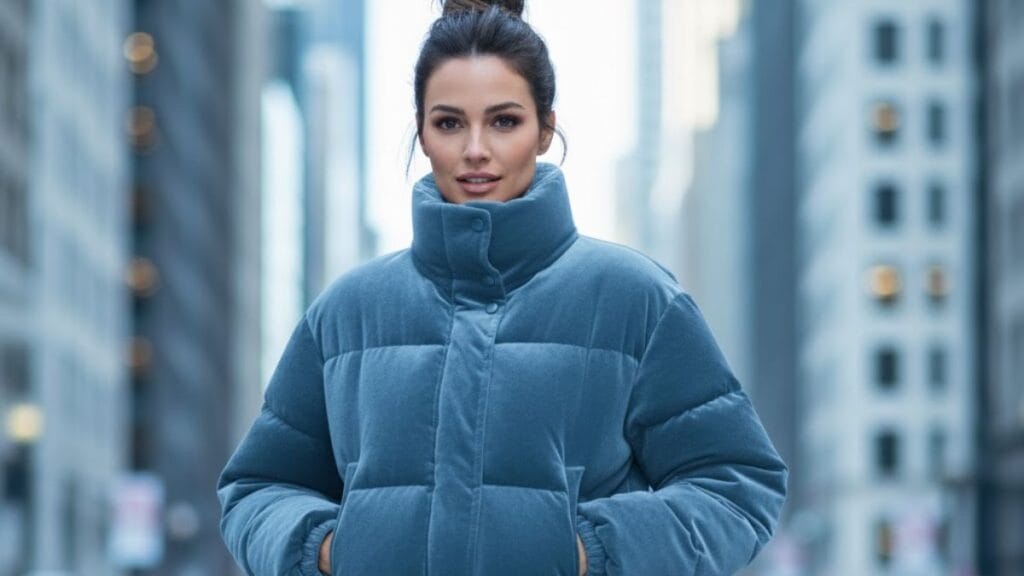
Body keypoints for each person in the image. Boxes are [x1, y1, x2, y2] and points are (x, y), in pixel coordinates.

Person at [217, 1, 788, 574]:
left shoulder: (636, 301)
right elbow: (258, 484)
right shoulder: (347, 313)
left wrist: (588, 553)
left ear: (545, 130)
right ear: (421, 132)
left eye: (504, 121)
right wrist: (325, 548)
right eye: (449, 123)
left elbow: (737, 484)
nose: (475, 150)